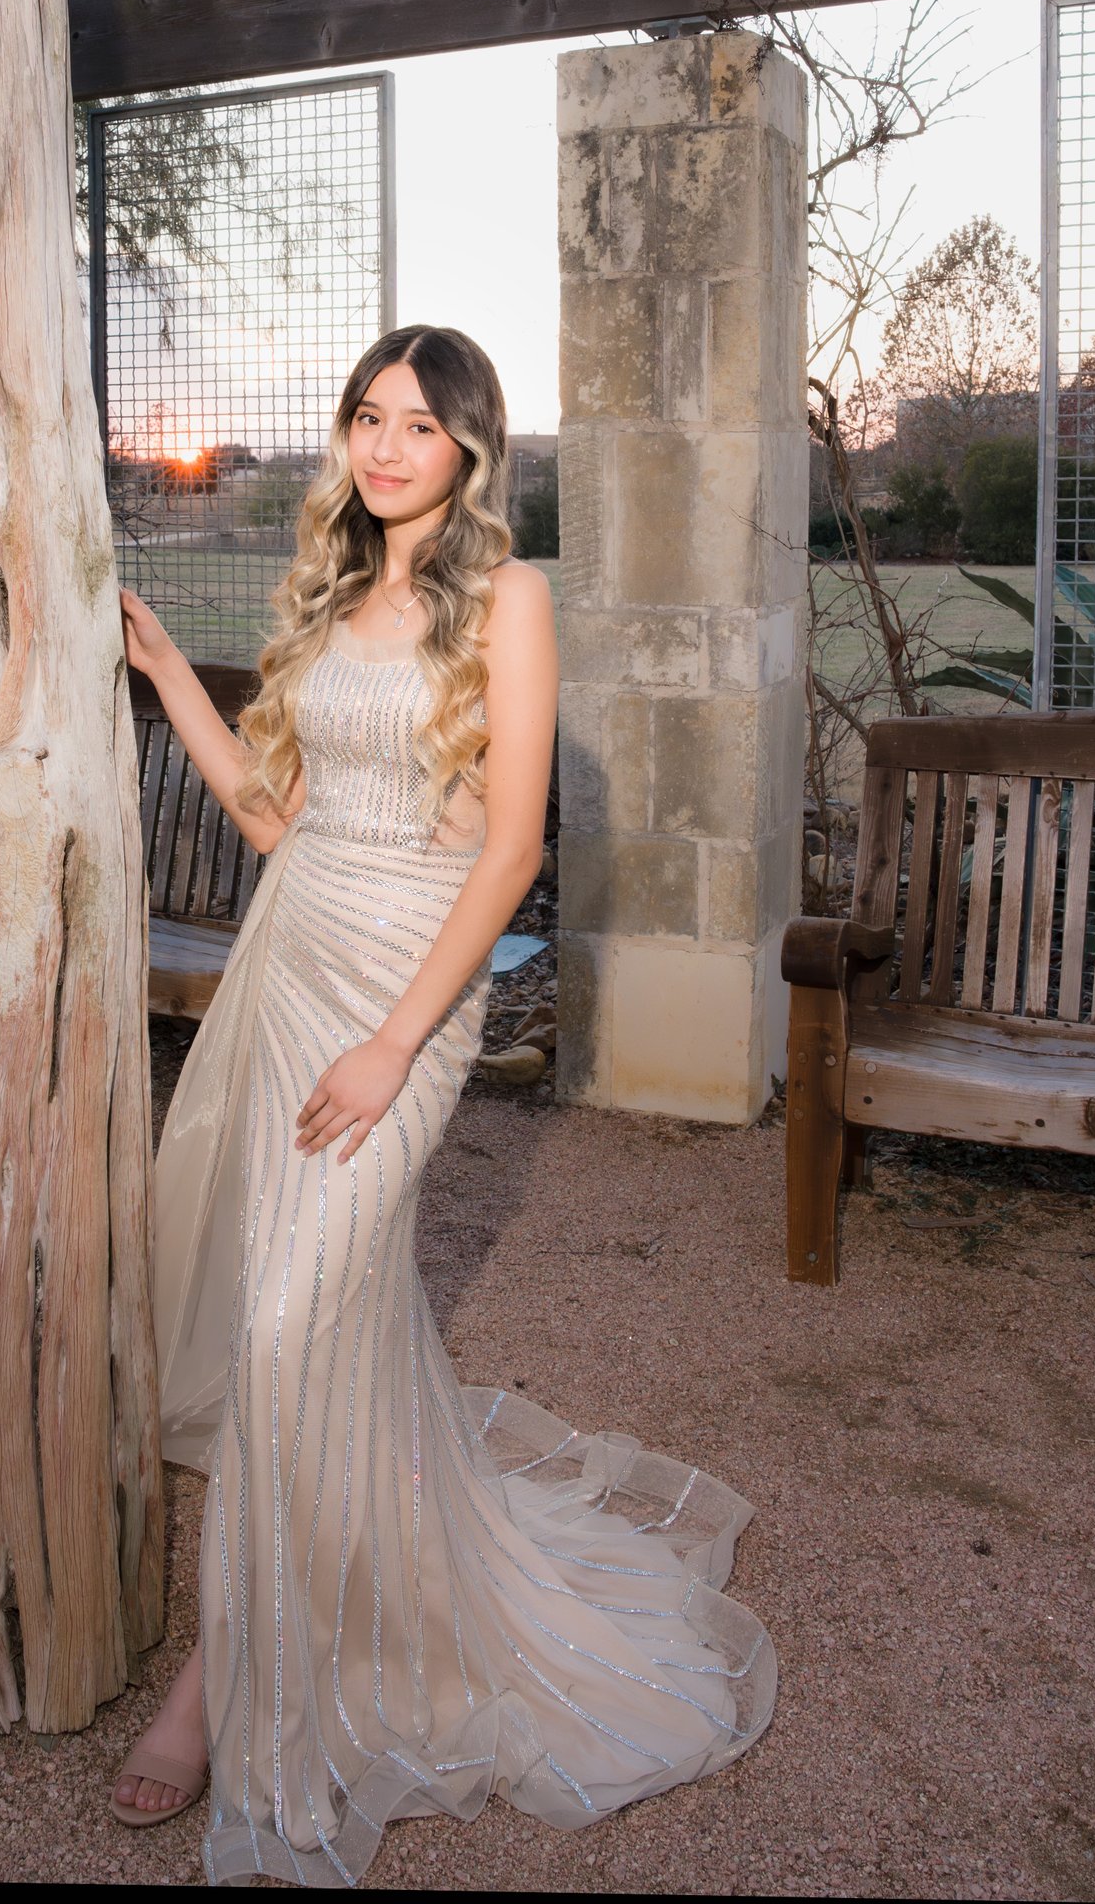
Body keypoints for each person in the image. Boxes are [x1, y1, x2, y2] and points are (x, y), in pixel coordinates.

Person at [111, 326, 775, 1884]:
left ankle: (223, 1687)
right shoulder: (340, 597)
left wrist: (396, 1047)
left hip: (405, 997)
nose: (386, 445)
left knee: (284, 1327)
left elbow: (513, 852)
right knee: (312, 1329)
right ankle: (275, 1616)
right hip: (296, 967)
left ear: (473, 448)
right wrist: (161, 678)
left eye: (420, 423)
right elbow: (277, 822)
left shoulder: (515, 602)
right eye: (365, 416)